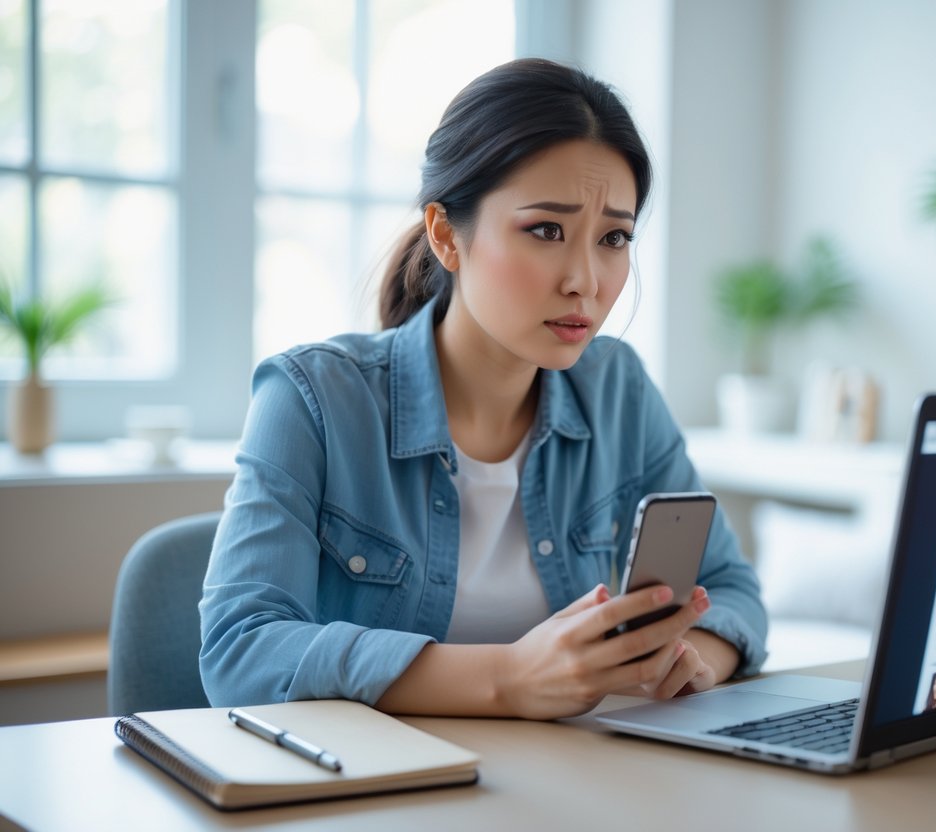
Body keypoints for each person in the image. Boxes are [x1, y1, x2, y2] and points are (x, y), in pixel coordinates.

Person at [198, 59, 768, 720]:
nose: (585, 279)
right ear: (445, 234)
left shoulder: (617, 389)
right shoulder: (312, 399)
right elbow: (239, 651)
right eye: (545, 230)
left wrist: (684, 660)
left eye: (614, 237)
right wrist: (508, 678)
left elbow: (730, 589)